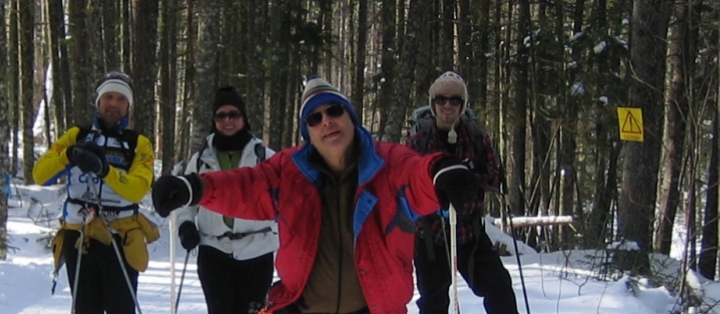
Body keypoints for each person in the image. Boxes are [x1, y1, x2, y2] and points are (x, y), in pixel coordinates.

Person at [151, 76, 481, 314]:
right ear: (307, 132)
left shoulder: (387, 163)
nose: (326, 121)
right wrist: (194, 188)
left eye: (334, 111)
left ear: (350, 117)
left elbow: (416, 173)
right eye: (315, 117)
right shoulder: (289, 170)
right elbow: (246, 186)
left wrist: (441, 172)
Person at [32, 71, 159, 314]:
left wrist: (104, 170)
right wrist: (68, 155)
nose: (114, 104)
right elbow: (40, 175)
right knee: (84, 308)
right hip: (79, 235)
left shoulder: (138, 143)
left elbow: (137, 189)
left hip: (120, 236)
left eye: (121, 99)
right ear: (98, 102)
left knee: (121, 308)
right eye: (108, 97)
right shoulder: (76, 135)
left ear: (128, 106)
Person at [408, 71, 518, 314]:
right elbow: (406, 185)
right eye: (441, 99)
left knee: (499, 288)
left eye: (455, 100)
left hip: (470, 234)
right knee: (433, 303)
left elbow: (495, 179)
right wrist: (435, 184)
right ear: (433, 103)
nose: (448, 106)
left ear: (463, 104)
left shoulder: (478, 139)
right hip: (431, 237)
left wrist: (471, 179)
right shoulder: (419, 141)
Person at [171, 86, 278, 314]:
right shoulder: (200, 160)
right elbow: (185, 203)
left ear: (244, 118)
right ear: (214, 120)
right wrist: (186, 225)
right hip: (214, 251)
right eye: (221, 115)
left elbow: (282, 202)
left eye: (234, 114)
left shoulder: (265, 157)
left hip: (257, 251)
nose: (227, 121)